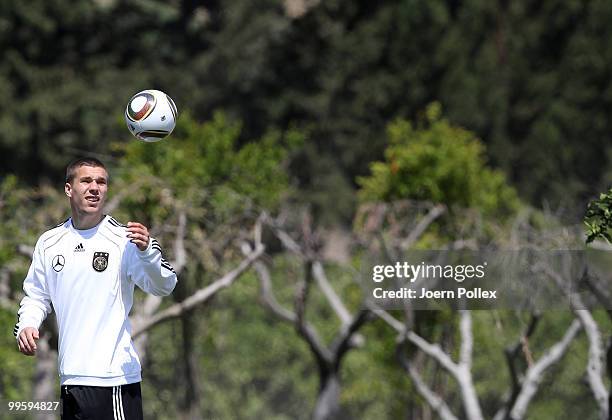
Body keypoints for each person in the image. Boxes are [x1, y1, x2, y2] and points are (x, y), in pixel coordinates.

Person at [14, 157, 177, 420]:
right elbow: (36, 295)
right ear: (69, 189)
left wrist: (148, 252)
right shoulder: (50, 242)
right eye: (86, 181)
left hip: (113, 381)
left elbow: (165, 285)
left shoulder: (126, 241)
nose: (95, 188)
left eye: (101, 182)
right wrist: (27, 325)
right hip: (70, 379)